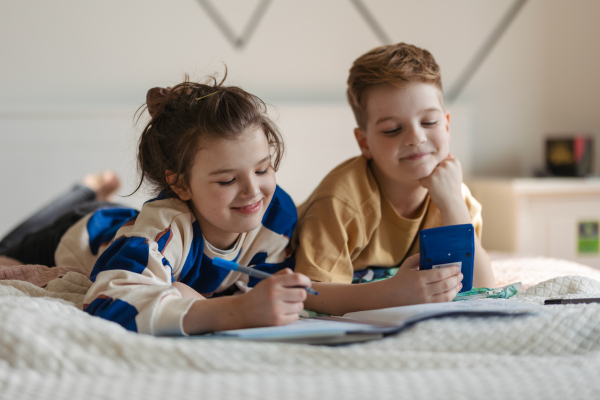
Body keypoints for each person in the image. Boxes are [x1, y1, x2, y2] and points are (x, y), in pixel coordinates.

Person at [1, 73, 311, 336]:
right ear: (179, 184)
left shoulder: (275, 214)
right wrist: (233, 310)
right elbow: (109, 304)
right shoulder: (162, 232)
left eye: (262, 170)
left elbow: (285, 286)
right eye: (227, 180)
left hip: (125, 221)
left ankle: (94, 190)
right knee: (6, 255)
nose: (253, 191)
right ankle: (87, 190)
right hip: (81, 232)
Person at [292, 43, 495, 316]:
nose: (416, 138)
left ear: (447, 126)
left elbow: (482, 290)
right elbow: (309, 292)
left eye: (429, 123)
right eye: (392, 129)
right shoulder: (342, 201)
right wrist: (392, 294)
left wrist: (453, 205)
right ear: (364, 143)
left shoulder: (455, 196)